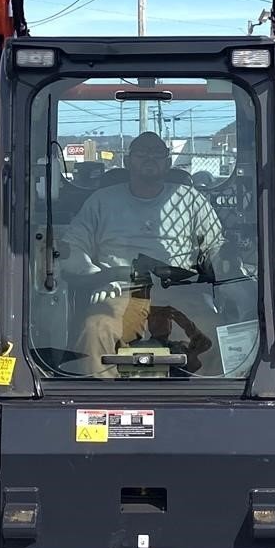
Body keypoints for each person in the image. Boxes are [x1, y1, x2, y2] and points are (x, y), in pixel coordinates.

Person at [67, 132, 225, 374]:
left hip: (179, 291)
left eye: (157, 154)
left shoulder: (191, 201)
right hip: (122, 290)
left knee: (217, 333)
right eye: (142, 153)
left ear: (168, 162)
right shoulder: (101, 202)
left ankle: (216, 404)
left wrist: (231, 279)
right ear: (129, 162)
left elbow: (217, 247)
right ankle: (99, 402)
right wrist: (95, 275)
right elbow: (72, 247)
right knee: (96, 329)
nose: (149, 158)